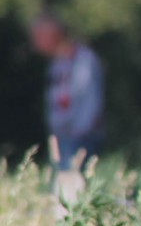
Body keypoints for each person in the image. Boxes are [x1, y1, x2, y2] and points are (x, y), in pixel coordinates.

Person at [29, 13, 104, 170]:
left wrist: (79, 130)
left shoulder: (83, 60)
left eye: (38, 38)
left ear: (53, 36)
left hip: (80, 135)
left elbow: (89, 100)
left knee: (73, 182)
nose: (35, 44)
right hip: (62, 135)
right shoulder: (56, 64)